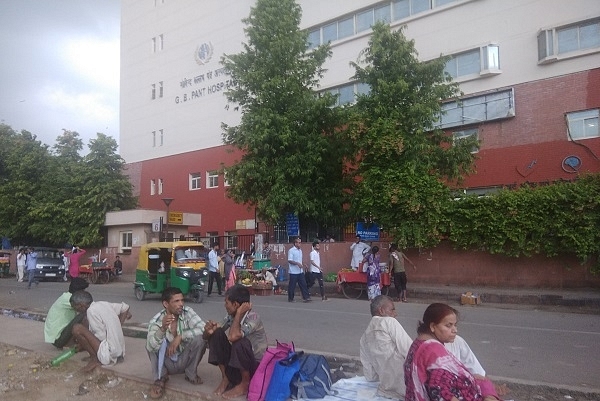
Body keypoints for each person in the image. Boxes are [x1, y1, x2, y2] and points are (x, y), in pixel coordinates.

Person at [404, 303, 500, 401]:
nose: (455, 330)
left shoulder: (419, 343)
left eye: (455, 325)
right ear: (433, 326)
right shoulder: (433, 350)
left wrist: (470, 378)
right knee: (485, 386)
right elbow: (440, 392)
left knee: (482, 381)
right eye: (448, 326)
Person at [203, 284, 267, 399]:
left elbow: (233, 337)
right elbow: (211, 334)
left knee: (240, 342)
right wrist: (208, 331)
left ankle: (245, 384)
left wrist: (238, 314)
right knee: (216, 334)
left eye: (226, 302)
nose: (225, 306)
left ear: (236, 304)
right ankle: (226, 378)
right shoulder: (230, 316)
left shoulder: (253, 317)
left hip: (254, 369)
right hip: (238, 366)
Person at [146, 287, 206, 399]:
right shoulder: (157, 320)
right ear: (165, 304)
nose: (181, 304)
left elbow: (203, 328)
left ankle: (190, 374)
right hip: (167, 362)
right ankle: (161, 378)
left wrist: (181, 336)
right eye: (176, 301)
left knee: (201, 338)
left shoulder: (187, 312)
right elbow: (151, 347)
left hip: (184, 359)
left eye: (182, 300)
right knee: (151, 343)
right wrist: (162, 329)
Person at [360, 295, 413, 399]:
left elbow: (370, 376)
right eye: (392, 309)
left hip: (385, 393)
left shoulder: (363, 339)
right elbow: (411, 352)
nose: (395, 314)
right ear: (381, 310)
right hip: (408, 390)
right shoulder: (389, 322)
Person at [71, 290, 132, 373]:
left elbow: (101, 337)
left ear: (81, 305)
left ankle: (95, 359)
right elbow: (125, 307)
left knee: (77, 328)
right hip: (119, 351)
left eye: (75, 307)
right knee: (85, 323)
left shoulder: (91, 311)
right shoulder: (102, 304)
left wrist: (84, 344)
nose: (76, 310)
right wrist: (117, 328)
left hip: (109, 354)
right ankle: (96, 356)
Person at [44, 277, 90, 348]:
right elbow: (90, 308)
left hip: (57, 337)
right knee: (85, 315)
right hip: (58, 339)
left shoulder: (66, 296)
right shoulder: (70, 299)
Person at [287, 237, 311, 303]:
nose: (300, 244)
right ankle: (291, 298)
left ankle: (306, 297)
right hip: (293, 272)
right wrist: (297, 263)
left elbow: (300, 260)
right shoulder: (291, 250)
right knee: (292, 286)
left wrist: (304, 264)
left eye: (300, 242)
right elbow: (290, 260)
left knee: (303, 284)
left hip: (300, 271)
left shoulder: (300, 250)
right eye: (298, 242)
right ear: (295, 243)